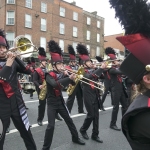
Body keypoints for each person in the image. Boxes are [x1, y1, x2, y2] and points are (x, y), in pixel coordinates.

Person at [42, 40, 85, 150]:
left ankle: (75, 138)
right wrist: (67, 78)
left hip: (60, 101)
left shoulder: (63, 73)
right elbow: (55, 85)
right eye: (59, 64)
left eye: (62, 63)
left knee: (69, 120)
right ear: (53, 65)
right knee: (51, 126)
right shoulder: (48, 74)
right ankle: (45, 147)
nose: (61, 66)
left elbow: (73, 84)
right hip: (51, 103)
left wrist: (71, 77)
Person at [0, 29, 37, 150]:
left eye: (4, 47)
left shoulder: (13, 61)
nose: (2, 50)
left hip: (16, 103)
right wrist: (9, 64)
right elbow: (2, 78)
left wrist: (16, 58)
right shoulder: (9, 63)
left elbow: (29, 71)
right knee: (1, 137)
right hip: (1, 106)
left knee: (26, 132)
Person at [77, 44, 106, 143]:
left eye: (90, 61)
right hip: (87, 94)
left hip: (95, 93)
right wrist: (100, 68)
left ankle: (95, 134)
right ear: (84, 63)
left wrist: (101, 68)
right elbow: (89, 77)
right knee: (90, 115)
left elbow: (102, 77)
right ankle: (83, 129)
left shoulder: (93, 69)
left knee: (96, 115)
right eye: (88, 61)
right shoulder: (82, 71)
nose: (90, 62)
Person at [105, 47, 128, 131]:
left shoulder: (116, 68)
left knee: (125, 106)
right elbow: (121, 72)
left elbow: (123, 75)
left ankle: (125, 123)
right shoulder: (111, 69)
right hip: (115, 89)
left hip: (121, 88)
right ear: (113, 62)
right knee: (116, 107)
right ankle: (113, 124)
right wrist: (123, 66)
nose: (118, 62)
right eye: (117, 60)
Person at [66, 45, 85, 114]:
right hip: (72, 83)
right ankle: (68, 111)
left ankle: (81, 110)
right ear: (70, 62)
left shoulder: (78, 66)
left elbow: (81, 73)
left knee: (80, 98)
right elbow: (67, 75)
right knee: (71, 99)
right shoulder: (67, 67)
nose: (74, 63)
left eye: (74, 61)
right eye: (73, 62)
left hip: (79, 84)